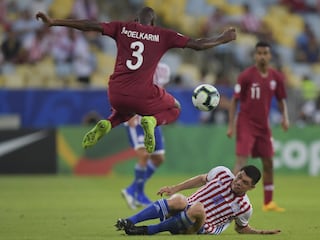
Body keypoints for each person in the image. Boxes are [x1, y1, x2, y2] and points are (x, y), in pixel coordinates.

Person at [36, 7, 236, 153]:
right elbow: (198, 45)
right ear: (153, 23)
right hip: (142, 93)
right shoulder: (162, 34)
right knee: (175, 108)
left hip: (115, 92)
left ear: (135, 20)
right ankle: (152, 120)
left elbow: (90, 25)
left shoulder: (122, 28)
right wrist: (222, 38)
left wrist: (54, 21)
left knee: (124, 111)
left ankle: (108, 123)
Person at [114, 165, 281, 235]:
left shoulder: (244, 207)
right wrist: (174, 188)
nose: (238, 182)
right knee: (179, 200)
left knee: (198, 208)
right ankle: (129, 222)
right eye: (239, 177)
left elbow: (240, 228)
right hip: (184, 209)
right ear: (237, 173)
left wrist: (259, 232)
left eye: (244, 183)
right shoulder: (222, 173)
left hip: (201, 227)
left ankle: (147, 231)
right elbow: (201, 179)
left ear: (251, 188)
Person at [226, 41, 289, 212]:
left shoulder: (276, 77)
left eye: (265, 53)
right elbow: (234, 100)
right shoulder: (246, 76)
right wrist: (231, 125)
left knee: (268, 162)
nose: (262, 56)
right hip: (246, 122)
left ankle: (268, 202)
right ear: (255, 55)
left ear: (270, 55)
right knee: (241, 160)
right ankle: (229, 199)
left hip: (263, 126)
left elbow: (281, 99)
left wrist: (285, 118)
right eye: (259, 53)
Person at [122, 62, 170, 209]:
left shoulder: (164, 69)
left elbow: (161, 93)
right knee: (144, 155)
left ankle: (131, 190)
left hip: (152, 118)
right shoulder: (138, 66)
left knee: (158, 158)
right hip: (136, 116)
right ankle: (140, 194)